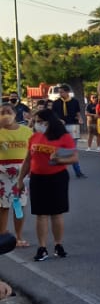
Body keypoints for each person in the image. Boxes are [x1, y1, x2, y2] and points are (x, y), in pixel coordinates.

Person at [15, 109, 77, 262]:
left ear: (48, 122)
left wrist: (59, 160)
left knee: (56, 213)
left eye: (39, 121)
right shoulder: (34, 137)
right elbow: (28, 160)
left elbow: (74, 157)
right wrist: (20, 179)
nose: (37, 124)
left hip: (58, 177)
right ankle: (42, 248)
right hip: (38, 178)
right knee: (41, 214)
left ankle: (58, 244)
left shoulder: (63, 137)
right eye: (35, 121)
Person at [0, 104, 32, 248]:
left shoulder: (27, 131)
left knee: (19, 205)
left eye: (8, 111)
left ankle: (18, 236)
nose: (6, 114)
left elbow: (32, 152)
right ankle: (2, 235)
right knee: (3, 206)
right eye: (2, 112)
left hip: (21, 173)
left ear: (15, 114)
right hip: (2, 172)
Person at [52, 85, 85, 179]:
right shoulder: (56, 103)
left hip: (73, 126)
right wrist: (58, 120)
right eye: (59, 92)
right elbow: (53, 115)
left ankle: (78, 171)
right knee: (59, 148)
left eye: (62, 92)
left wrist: (80, 119)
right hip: (61, 127)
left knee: (73, 149)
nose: (60, 94)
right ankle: (58, 170)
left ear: (67, 92)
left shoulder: (74, 101)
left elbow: (78, 113)